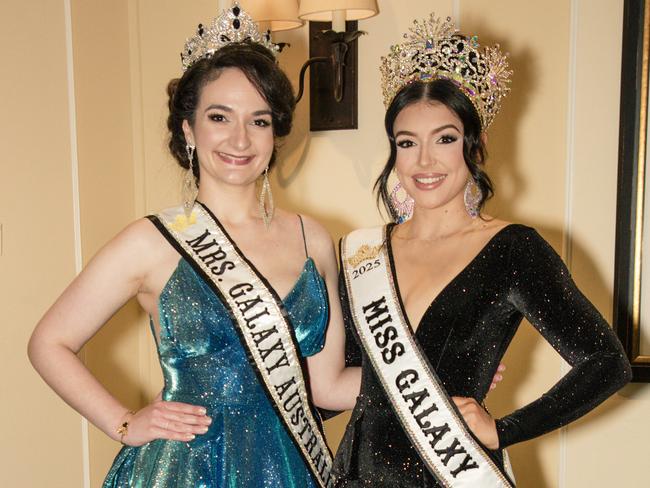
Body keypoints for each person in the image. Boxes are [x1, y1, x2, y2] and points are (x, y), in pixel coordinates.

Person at [28, 5, 359, 487]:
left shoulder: (313, 238)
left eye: (259, 121)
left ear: (275, 133)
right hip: (186, 468)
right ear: (188, 128)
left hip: (292, 465)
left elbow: (327, 387)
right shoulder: (151, 241)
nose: (240, 139)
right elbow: (48, 343)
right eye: (219, 116)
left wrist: (436, 372)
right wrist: (123, 422)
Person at [333, 13, 632, 487]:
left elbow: (607, 362)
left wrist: (504, 430)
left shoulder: (512, 249)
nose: (424, 161)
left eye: (445, 139)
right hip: (355, 476)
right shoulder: (361, 254)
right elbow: (337, 386)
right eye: (407, 143)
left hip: (453, 474)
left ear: (476, 145)